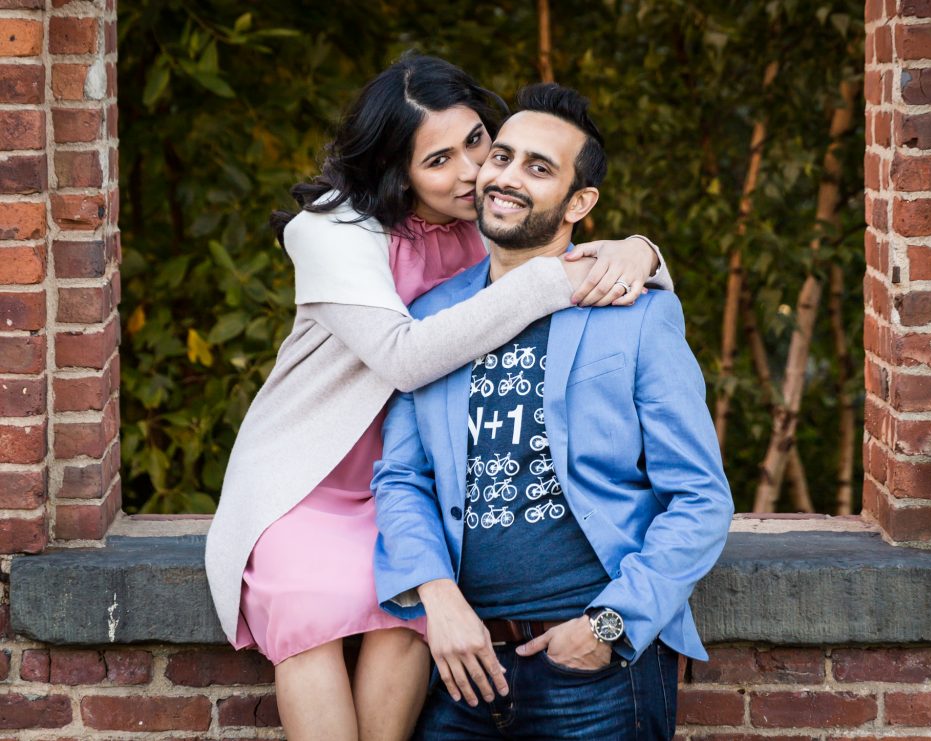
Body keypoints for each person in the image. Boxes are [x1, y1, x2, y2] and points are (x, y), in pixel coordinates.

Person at [204, 54, 671, 741]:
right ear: (397, 170)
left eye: (477, 141)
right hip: (311, 475)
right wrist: (556, 279)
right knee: (308, 616)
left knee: (406, 621)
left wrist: (639, 251)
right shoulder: (328, 231)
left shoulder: (479, 218)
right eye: (439, 160)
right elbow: (407, 356)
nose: (473, 171)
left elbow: (559, 227)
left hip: (415, 475)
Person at [372, 82, 733, 740]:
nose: (507, 177)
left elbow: (701, 497)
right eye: (502, 156)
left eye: (539, 168)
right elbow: (401, 477)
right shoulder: (431, 317)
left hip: (595, 670)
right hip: (461, 662)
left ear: (580, 202)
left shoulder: (637, 314)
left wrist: (609, 627)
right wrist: (436, 596)